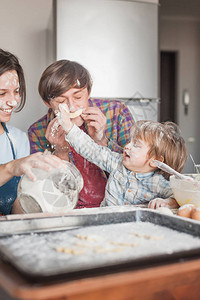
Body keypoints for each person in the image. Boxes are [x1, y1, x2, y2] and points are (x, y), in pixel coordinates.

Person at [28, 59, 134, 209]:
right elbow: (44, 194)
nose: (71, 107)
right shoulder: (37, 132)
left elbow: (138, 172)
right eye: (61, 101)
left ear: (89, 92)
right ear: (47, 103)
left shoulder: (117, 112)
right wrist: (61, 152)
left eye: (78, 97)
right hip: (70, 210)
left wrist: (101, 140)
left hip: (117, 206)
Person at [58, 103, 188, 209]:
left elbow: (180, 196)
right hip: (106, 224)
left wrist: (166, 202)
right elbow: (92, 150)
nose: (127, 146)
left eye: (136, 144)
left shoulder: (157, 182)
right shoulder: (116, 163)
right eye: (130, 141)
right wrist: (69, 127)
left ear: (155, 161)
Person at [0, 49, 66, 215]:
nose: (13, 101)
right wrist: (11, 168)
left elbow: (17, 203)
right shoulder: (16, 162)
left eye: (16, 91)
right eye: (2, 93)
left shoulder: (18, 140)